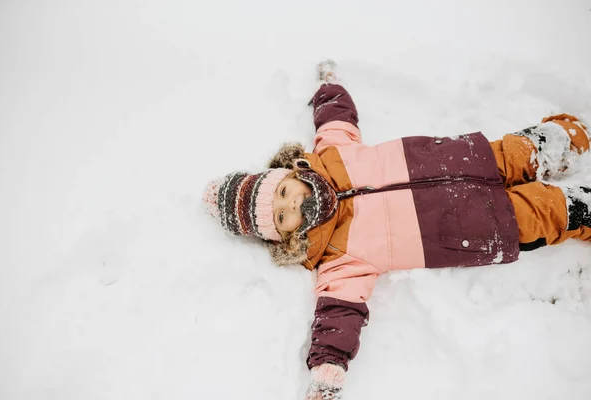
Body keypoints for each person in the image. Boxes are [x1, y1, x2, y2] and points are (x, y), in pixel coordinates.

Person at [202, 60, 591, 400]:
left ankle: (567, 140)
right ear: (288, 238)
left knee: (519, 151)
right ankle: (581, 207)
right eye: (285, 216)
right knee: (544, 212)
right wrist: (327, 368)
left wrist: (328, 87)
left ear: (290, 171)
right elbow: (339, 311)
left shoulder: (331, 152)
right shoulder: (337, 257)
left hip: (468, 158)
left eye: (285, 192)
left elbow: (336, 118)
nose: (295, 204)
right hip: (478, 226)